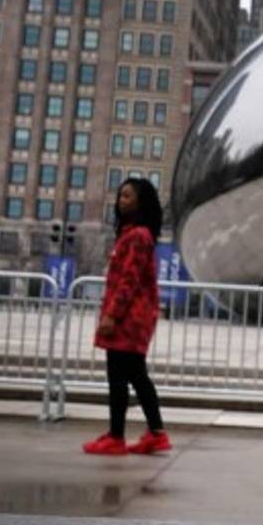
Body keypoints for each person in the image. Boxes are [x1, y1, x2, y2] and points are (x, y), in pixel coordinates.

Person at [82, 178, 171, 456]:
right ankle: (155, 433)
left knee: (119, 375)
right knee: (135, 374)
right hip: (132, 315)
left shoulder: (138, 237)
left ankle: (117, 437)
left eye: (129, 196)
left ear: (141, 201)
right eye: (121, 195)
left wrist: (112, 315)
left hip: (130, 317)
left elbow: (129, 280)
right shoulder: (132, 234)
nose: (122, 200)